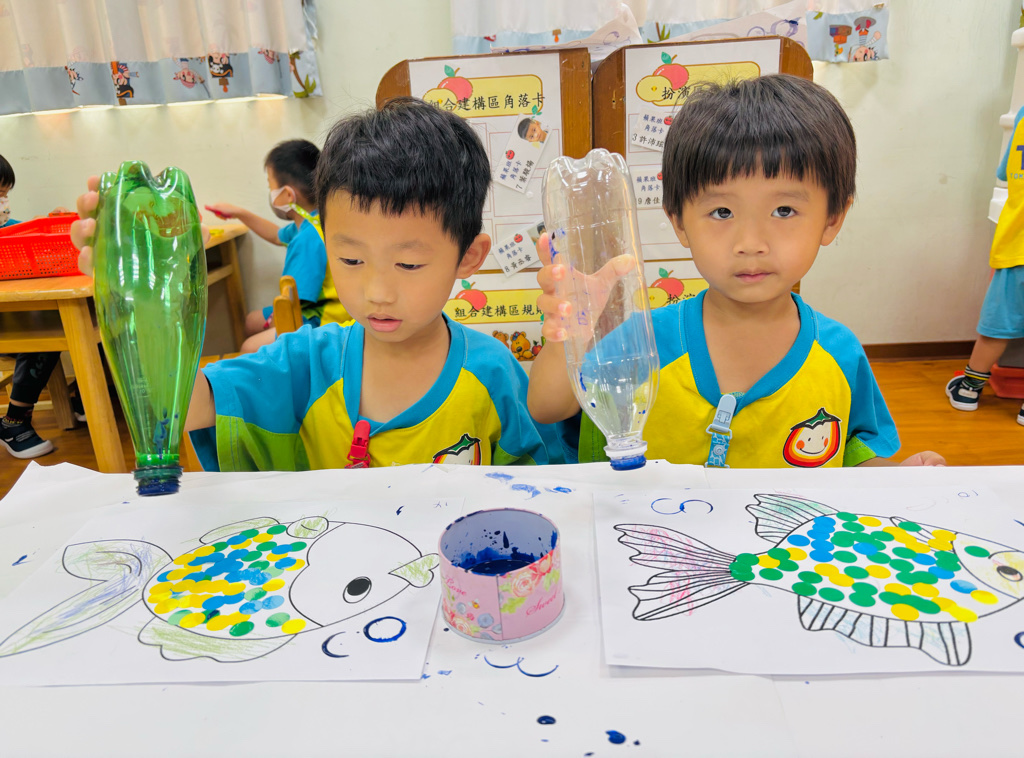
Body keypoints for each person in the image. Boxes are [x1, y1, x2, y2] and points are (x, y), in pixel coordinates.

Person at [72, 98, 561, 470]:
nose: (377, 292)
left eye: (409, 264)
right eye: (350, 259)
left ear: (468, 256)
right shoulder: (303, 364)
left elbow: (543, 487)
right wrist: (147, 305)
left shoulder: (492, 375)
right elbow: (184, 406)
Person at [529, 74, 944, 468]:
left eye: (784, 210)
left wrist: (896, 473)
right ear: (679, 222)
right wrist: (570, 335)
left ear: (832, 218)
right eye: (722, 212)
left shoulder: (838, 354)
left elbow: (856, 455)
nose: (751, 242)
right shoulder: (644, 341)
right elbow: (547, 408)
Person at [206, 139, 343, 352]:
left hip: (322, 322)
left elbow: (292, 304)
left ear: (287, 195)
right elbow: (277, 236)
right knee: (251, 321)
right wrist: (239, 213)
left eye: (270, 185)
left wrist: (272, 323)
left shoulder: (307, 240)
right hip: (313, 308)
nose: (270, 192)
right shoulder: (313, 222)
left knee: (249, 347)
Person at [944, 104, 1024, 426]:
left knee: (996, 327)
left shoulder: (1022, 115)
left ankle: (969, 389)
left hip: (1016, 246)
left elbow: (1004, 173)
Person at [0, 153, 81, 460]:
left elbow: (29, 235)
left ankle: (85, 397)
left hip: (13, 316)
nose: (4, 203)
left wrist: (53, 223)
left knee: (73, 318)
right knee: (42, 338)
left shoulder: (6, 228)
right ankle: (14, 422)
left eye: (5, 195)